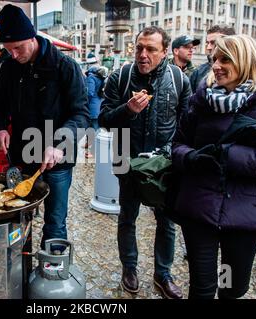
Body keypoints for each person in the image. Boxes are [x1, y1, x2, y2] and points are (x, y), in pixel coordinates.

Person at [172, 35, 256, 299]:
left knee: (229, 288)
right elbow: (177, 145)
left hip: (245, 216)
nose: (216, 65)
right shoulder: (201, 99)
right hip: (200, 210)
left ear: (245, 60)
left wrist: (229, 156)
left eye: (225, 59)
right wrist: (191, 158)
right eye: (214, 59)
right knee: (202, 287)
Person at [98, 26, 191, 298]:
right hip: (127, 161)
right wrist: (128, 109)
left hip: (163, 166)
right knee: (127, 217)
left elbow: (186, 123)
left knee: (167, 222)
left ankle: (163, 274)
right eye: (139, 47)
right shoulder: (120, 77)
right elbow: (103, 119)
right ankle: (129, 267)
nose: (143, 54)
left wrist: (177, 156)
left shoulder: (179, 80)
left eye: (151, 49)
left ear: (164, 52)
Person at [0, 5, 89, 249]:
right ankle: (20, 271)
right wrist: (0, 126)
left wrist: (58, 144)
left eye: (18, 48)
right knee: (18, 215)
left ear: (32, 38)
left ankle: (50, 276)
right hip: (22, 157)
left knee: (54, 221)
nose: (13, 54)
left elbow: (82, 115)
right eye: (8, 49)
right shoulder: (9, 68)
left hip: (58, 163)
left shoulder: (65, 66)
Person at [189, 25, 236, 92]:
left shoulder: (245, 73)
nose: (208, 47)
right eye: (207, 43)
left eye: (213, 42)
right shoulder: (198, 72)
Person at [84, 65, 108, 158]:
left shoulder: (91, 77)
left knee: (94, 128)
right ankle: (88, 144)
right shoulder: (100, 78)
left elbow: (89, 93)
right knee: (91, 127)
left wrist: (84, 103)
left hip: (92, 107)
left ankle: (94, 151)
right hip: (98, 104)